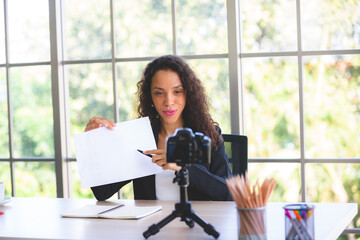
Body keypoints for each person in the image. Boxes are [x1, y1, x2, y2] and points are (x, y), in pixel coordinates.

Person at [85, 55, 232, 201]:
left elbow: (228, 194)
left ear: (189, 93)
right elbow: (102, 192)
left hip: (196, 222)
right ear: (150, 97)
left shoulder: (207, 135)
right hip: (152, 223)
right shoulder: (140, 137)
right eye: (159, 93)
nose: (168, 102)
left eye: (177, 91)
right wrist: (92, 142)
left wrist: (182, 166)